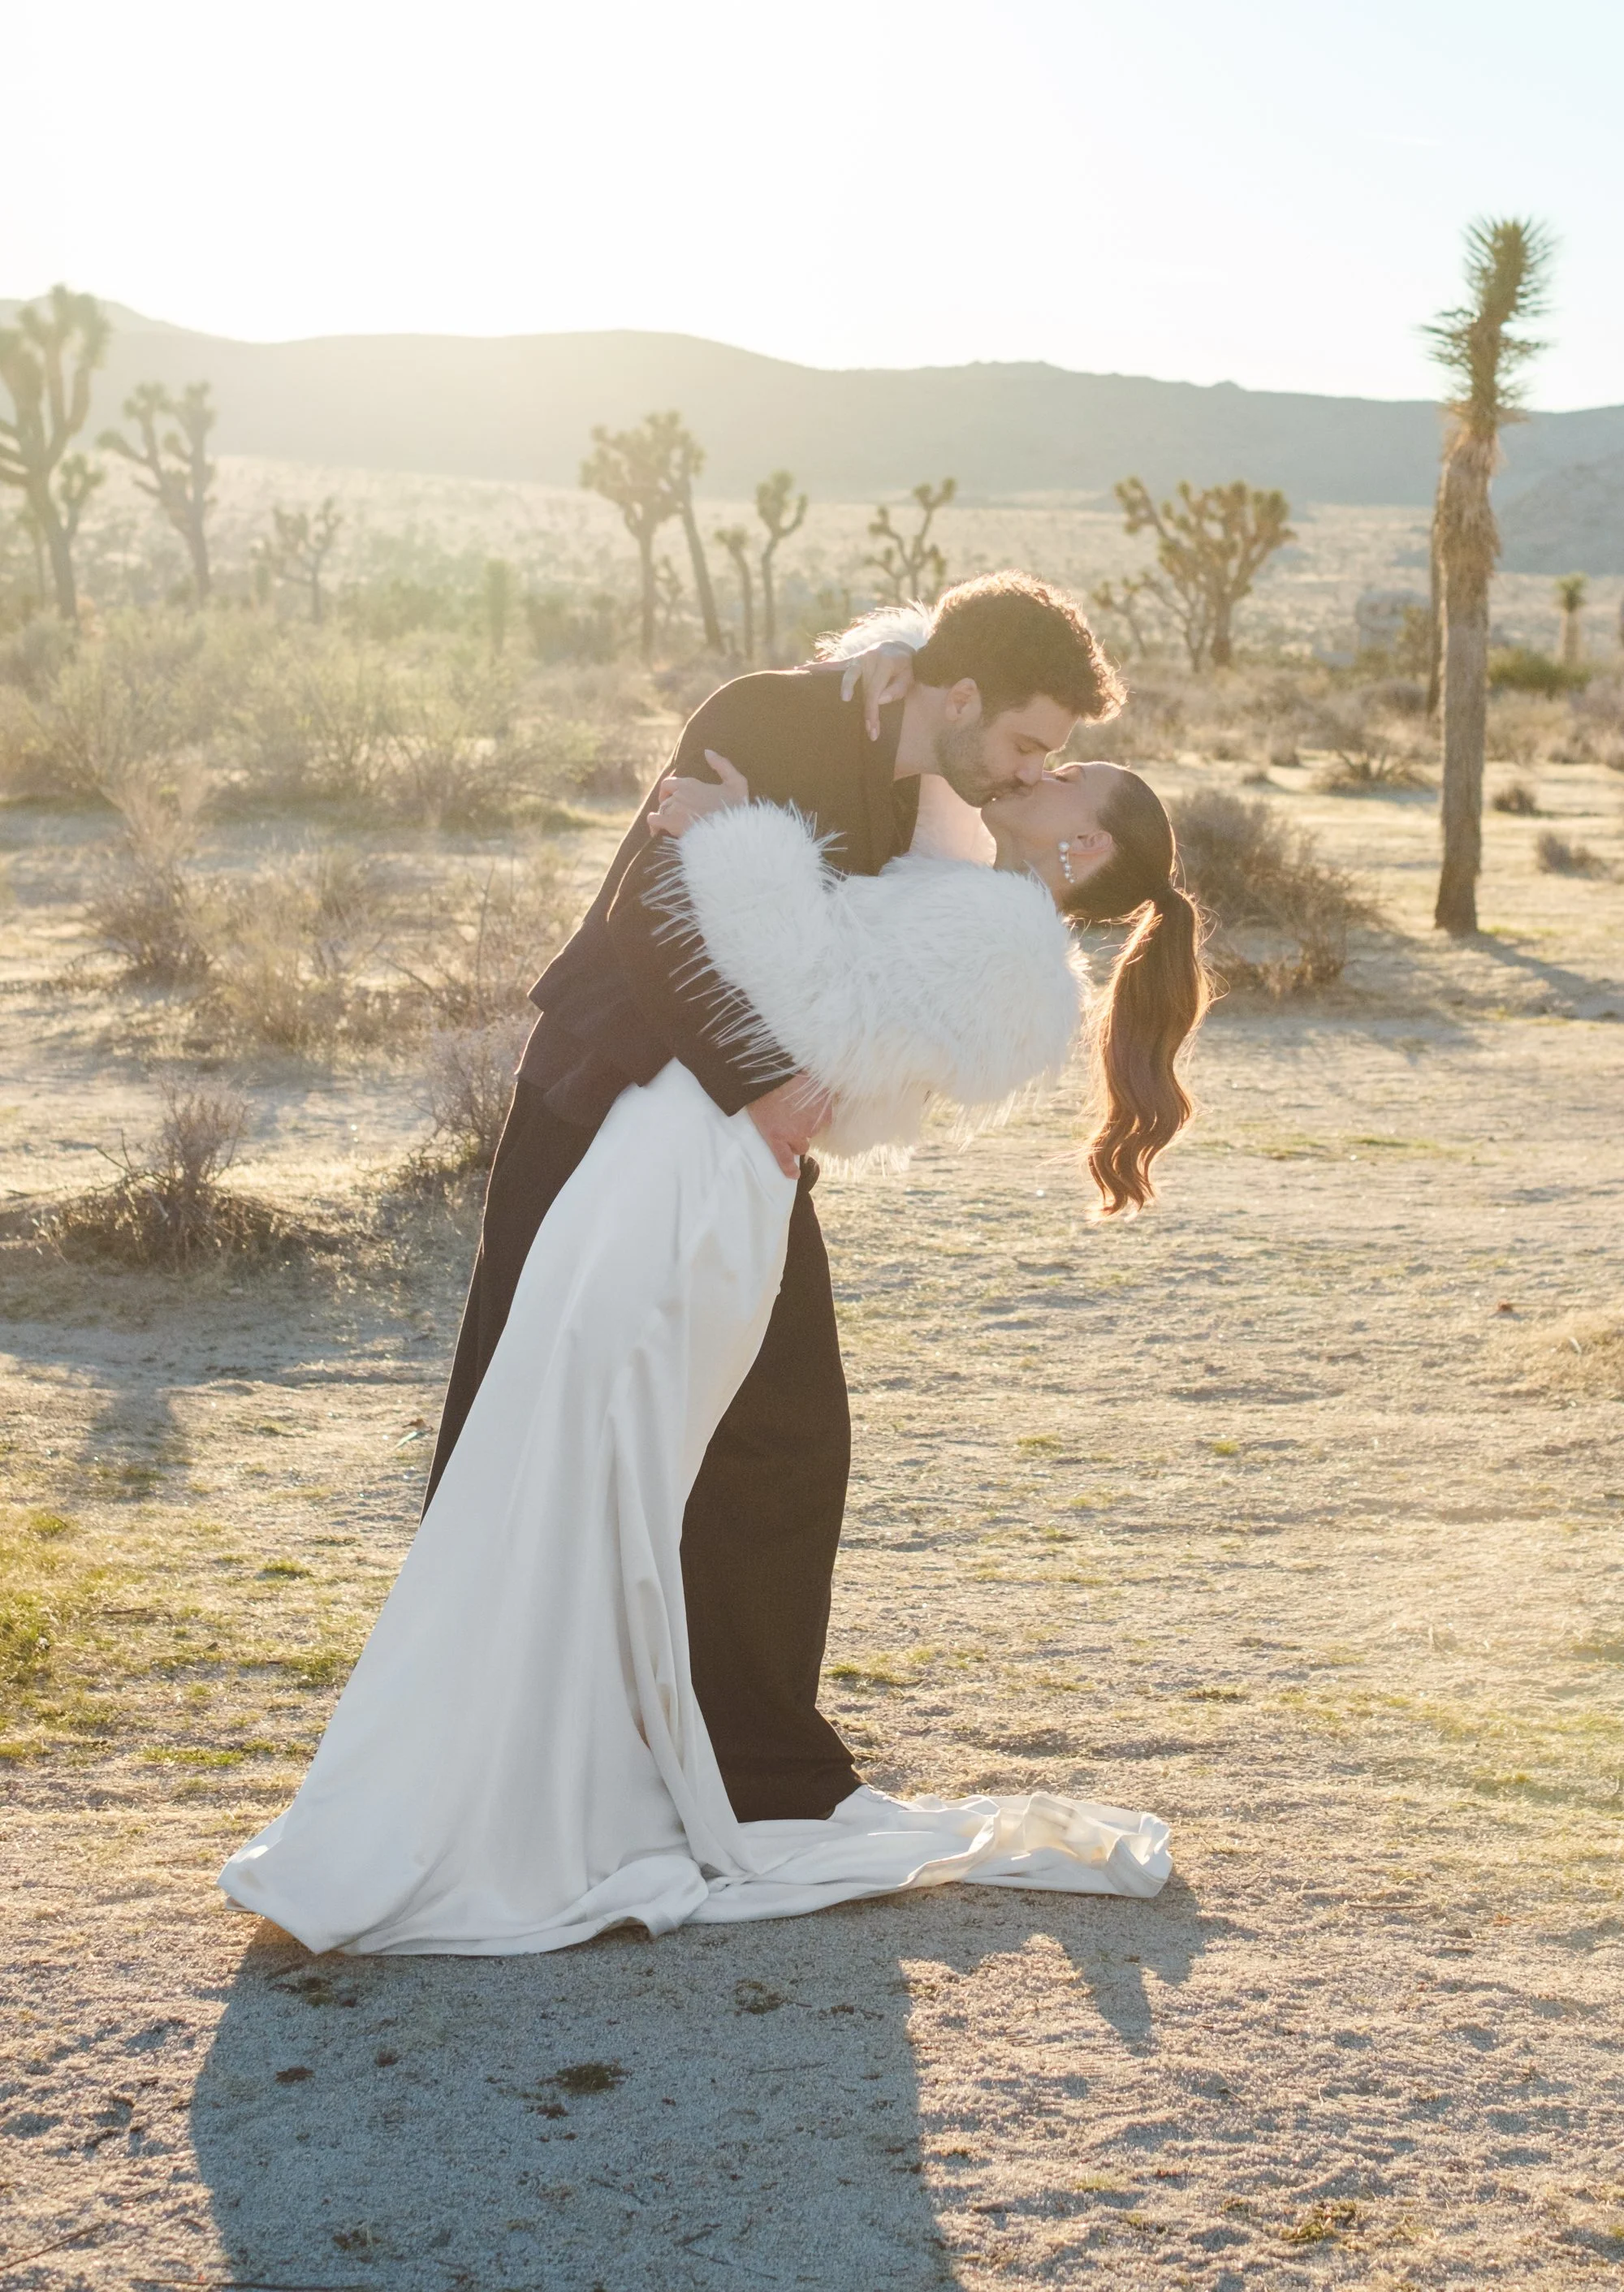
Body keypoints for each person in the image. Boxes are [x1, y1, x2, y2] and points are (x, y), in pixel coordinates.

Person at [218, 744, 1208, 1956]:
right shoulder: (971, 893)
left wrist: (739, 834)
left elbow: (810, 995)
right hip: (682, 1153)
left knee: (607, 1462)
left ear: (1087, 846)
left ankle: (541, 1797)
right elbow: (906, 768)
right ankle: (520, 1770)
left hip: (705, 1180)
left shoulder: (1008, 949)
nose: (1042, 765)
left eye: (1071, 771)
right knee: (576, 1453)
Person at [421, 575, 1125, 1829]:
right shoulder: (768, 712)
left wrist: (788, 1098)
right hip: (607, 1093)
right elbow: (653, 910)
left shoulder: (927, 795)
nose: (1027, 775)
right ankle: (480, 1737)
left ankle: (756, 1767)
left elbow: (853, 952)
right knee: (522, 1395)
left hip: (743, 1139)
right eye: (1023, 744)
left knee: (788, 1427)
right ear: (957, 695)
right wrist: (769, 1087)